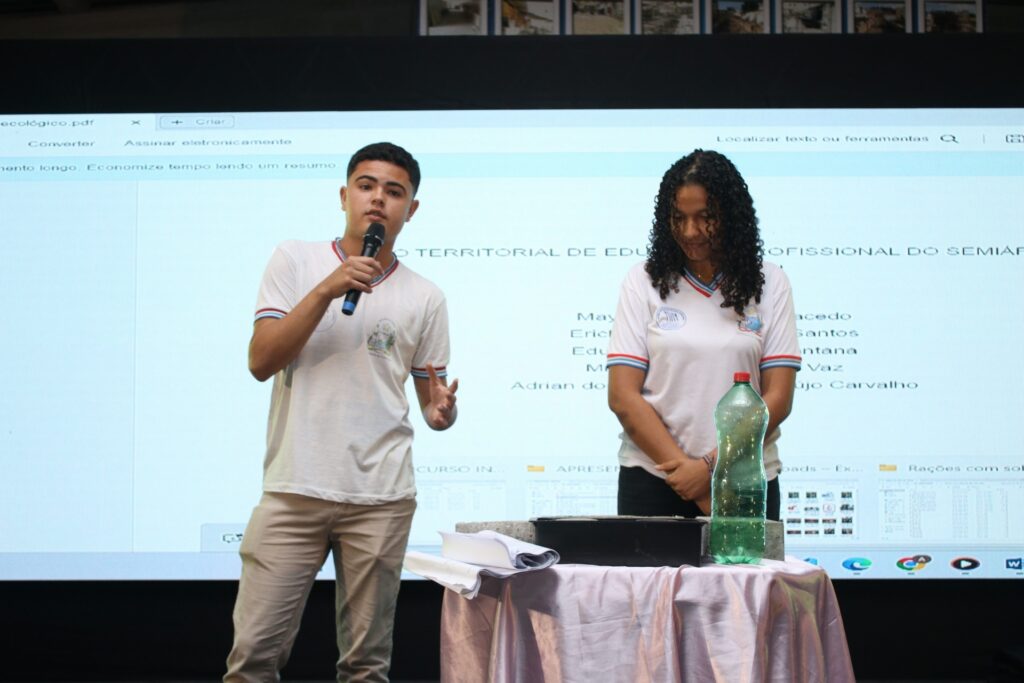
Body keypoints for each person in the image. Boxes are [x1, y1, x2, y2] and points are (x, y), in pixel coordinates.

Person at [225, 142, 458, 683]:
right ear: (344, 195)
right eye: (366, 186)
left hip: (382, 498)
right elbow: (261, 361)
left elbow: (432, 403)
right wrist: (327, 289)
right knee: (253, 658)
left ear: (411, 209)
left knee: (366, 667)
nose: (378, 199)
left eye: (394, 192)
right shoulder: (295, 260)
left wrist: (442, 412)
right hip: (294, 489)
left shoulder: (426, 296)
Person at [606, 150, 800, 521]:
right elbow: (623, 396)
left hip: (744, 479)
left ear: (731, 216)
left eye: (705, 217)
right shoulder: (643, 281)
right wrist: (688, 477)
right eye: (679, 218)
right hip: (653, 478)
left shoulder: (771, 283)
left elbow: (778, 398)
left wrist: (710, 468)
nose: (690, 231)